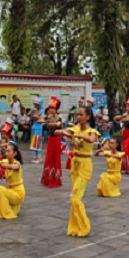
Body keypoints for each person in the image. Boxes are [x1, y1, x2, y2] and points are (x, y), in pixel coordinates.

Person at [55, 106, 100, 237]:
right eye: (77, 115)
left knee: (75, 196)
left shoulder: (92, 131)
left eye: (81, 115)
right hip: (75, 163)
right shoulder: (73, 129)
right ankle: (75, 226)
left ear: (88, 117)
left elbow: (92, 140)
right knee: (74, 197)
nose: (78, 117)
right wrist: (66, 133)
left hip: (85, 164)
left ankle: (84, 225)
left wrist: (78, 135)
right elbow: (57, 132)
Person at [0, 143, 26, 219]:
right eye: (6, 152)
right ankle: (10, 207)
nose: (7, 153)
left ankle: (8, 212)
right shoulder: (5, 161)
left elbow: (13, 167)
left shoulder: (17, 163)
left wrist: (4, 165)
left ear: (14, 153)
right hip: (11, 191)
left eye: (9, 151)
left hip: (18, 194)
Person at [40, 96, 64, 188]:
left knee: (55, 157)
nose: (50, 109)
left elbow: (59, 125)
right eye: (50, 108)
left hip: (57, 139)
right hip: (50, 139)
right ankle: (47, 178)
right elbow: (42, 121)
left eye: (52, 108)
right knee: (49, 157)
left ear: (56, 109)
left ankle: (55, 179)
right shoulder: (48, 117)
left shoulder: (59, 117)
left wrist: (50, 123)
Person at [115, 96, 129, 174]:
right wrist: (121, 118)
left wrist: (123, 119)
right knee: (124, 149)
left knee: (128, 149)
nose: (127, 108)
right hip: (125, 133)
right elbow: (115, 118)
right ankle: (125, 167)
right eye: (126, 106)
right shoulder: (124, 114)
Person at [29, 97, 44, 163]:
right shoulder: (35, 111)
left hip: (39, 128)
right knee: (34, 143)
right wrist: (32, 114)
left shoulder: (41, 111)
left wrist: (36, 116)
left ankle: (39, 157)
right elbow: (29, 115)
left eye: (37, 104)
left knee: (38, 142)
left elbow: (42, 119)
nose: (35, 105)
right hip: (34, 127)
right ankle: (36, 156)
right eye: (35, 104)